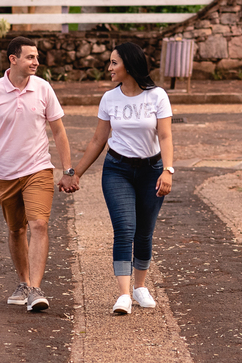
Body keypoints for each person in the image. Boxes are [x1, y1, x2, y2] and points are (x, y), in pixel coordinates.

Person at [0, 36, 76, 312]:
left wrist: (68, 170)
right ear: (13, 59)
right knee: (16, 229)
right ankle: (23, 283)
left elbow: (58, 131)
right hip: (4, 173)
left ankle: (35, 289)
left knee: (39, 225)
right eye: (30, 57)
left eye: (36, 57)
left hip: (38, 168)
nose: (36, 62)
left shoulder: (44, 89)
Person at [65, 42, 174, 315]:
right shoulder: (109, 99)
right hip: (118, 170)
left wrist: (168, 170)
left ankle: (140, 287)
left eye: (114, 63)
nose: (109, 68)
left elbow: (165, 136)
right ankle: (124, 294)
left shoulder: (157, 96)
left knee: (144, 232)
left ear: (129, 64)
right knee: (125, 229)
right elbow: (98, 140)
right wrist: (75, 173)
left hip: (152, 170)